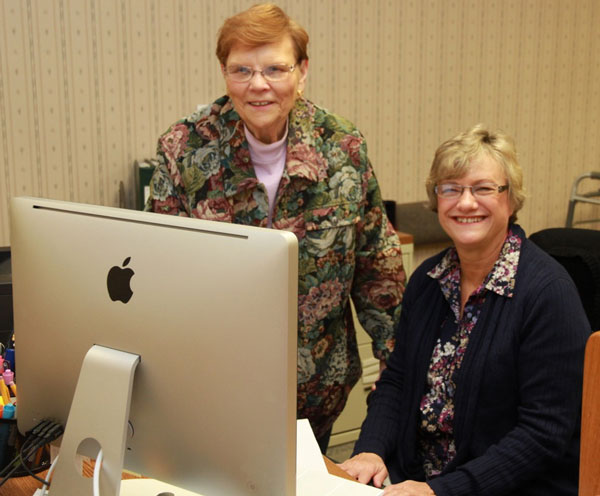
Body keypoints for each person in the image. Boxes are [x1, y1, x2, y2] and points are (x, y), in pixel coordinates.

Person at [145, 3, 405, 453]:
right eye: (241, 70)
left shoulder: (343, 146)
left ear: (302, 71)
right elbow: (158, 272)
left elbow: (375, 266)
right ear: (224, 73)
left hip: (317, 391)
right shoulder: (183, 149)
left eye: (275, 69)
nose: (258, 85)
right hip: (213, 390)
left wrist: (395, 361)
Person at [340, 124, 591, 495]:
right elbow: (398, 380)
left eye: (484, 188)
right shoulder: (428, 279)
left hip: (509, 486)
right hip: (419, 475)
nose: (466, 202)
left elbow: (543, 435)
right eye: (451, 189)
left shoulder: (547, 293)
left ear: (511, 199)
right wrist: (370, 450)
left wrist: (441, 491)